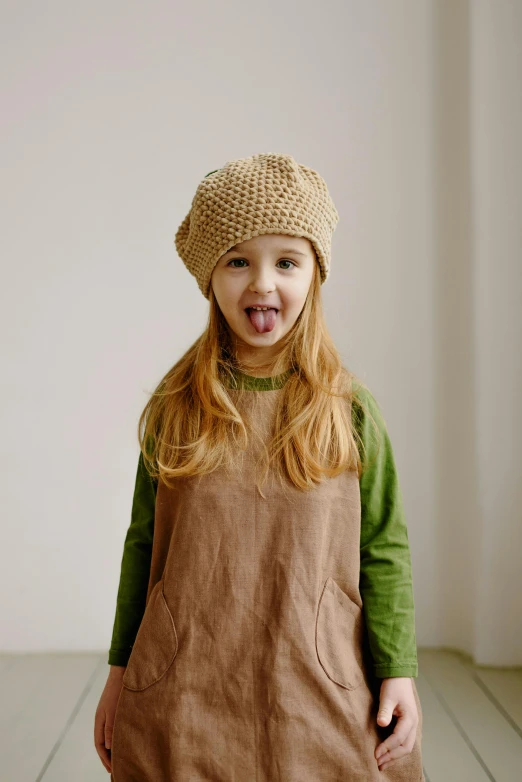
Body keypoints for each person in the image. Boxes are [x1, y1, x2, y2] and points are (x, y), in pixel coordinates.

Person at [94, 153, 425, 781]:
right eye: (238, 260)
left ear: (314, 275)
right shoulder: (177, 407)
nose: (263, 283)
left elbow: (384, 548)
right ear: (210, 277)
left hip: (317, 680)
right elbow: (145, 547)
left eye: (287, 262)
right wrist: (119, 672)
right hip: (184, 685)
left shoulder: (347, 410)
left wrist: (398, 671)